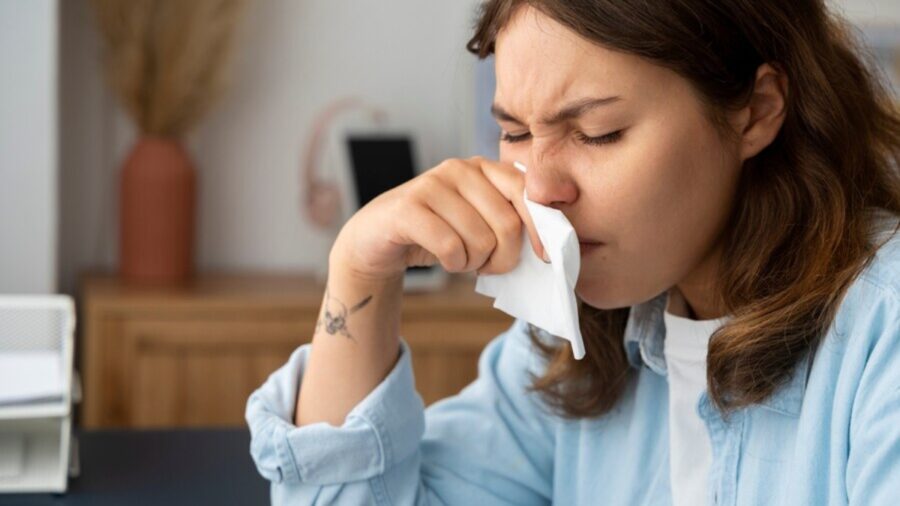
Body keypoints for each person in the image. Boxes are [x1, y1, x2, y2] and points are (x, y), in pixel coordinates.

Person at [246, 1, 900, 504]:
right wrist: (360, 270)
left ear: (756, 111)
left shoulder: (881, 334)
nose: (542, 188)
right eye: (515, 132)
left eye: (597, 133)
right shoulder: (571, 349)